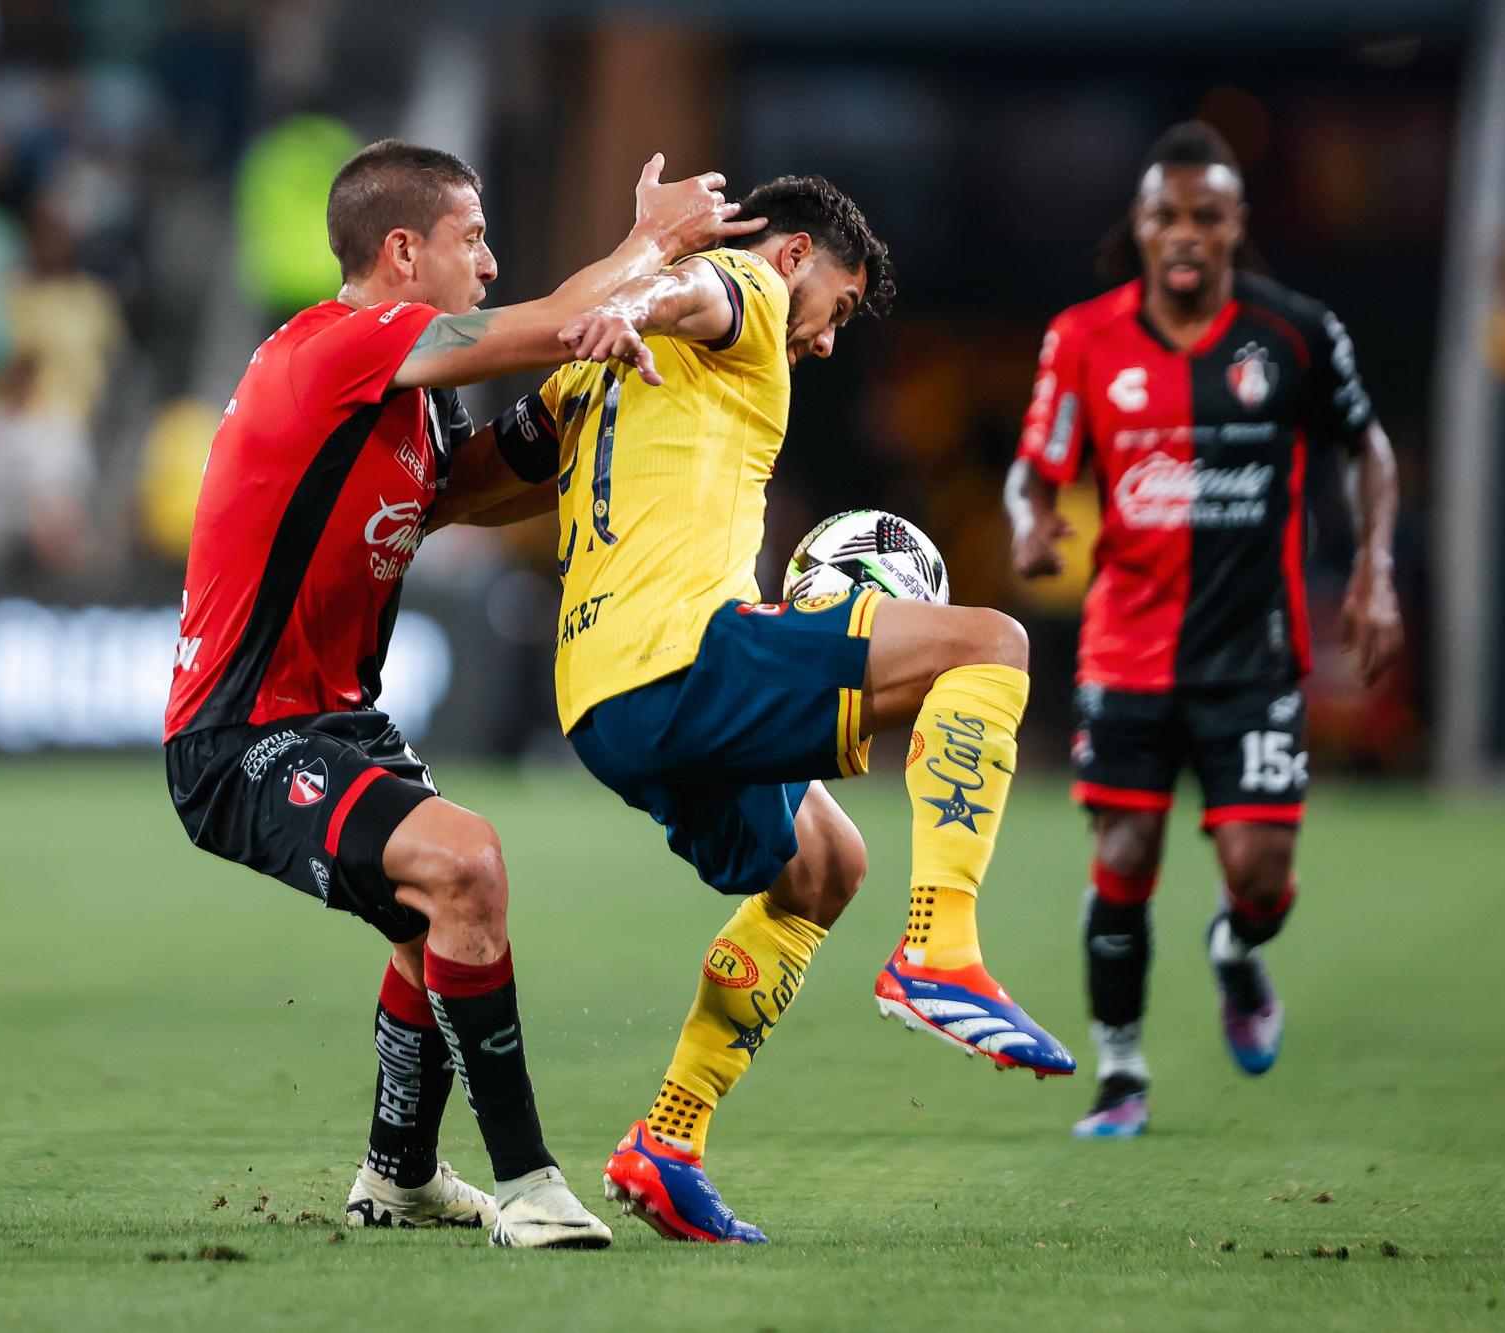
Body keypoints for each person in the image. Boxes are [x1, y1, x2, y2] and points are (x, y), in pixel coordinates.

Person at [164, 139, 758, 1249]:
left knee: (435, 909)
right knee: (465, 863)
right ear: (403, 252)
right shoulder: (340, 345)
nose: (487, 263)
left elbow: (470, 491)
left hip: (336, 719)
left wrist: (576, 409)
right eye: (471, 239)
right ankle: (529, 1183)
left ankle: (397, 1177)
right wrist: (652, 243)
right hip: (242, 733)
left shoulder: (410, 398)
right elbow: (552, 317)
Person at [476, 175, 1074, 1245]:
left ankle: (667, 1141)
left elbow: (484, 480)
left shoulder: (587, 376)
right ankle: (938, 951)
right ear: (796, 255)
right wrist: (636, 298)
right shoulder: (747, 289)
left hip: (600, 706)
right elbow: (700, 289)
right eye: (838, 306)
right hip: (681, 658)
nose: (830, 340)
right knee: (991, 643)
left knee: (824, 865)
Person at [1003, 122, 1404, 1139]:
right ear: (1139, 228)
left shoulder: (1293, 333)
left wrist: (1374, 571)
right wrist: (1028, 520)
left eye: (1205, 216)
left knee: (1261, 878)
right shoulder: (1082, 339)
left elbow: (1368, 449)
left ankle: (1236, 946)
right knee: (1125, 847)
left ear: (1235, 226)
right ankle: (1119, 1072)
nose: (1185, 232)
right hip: (1126, 648)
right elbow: (1032, 469)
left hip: (1251, 654)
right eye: (1166, 216)